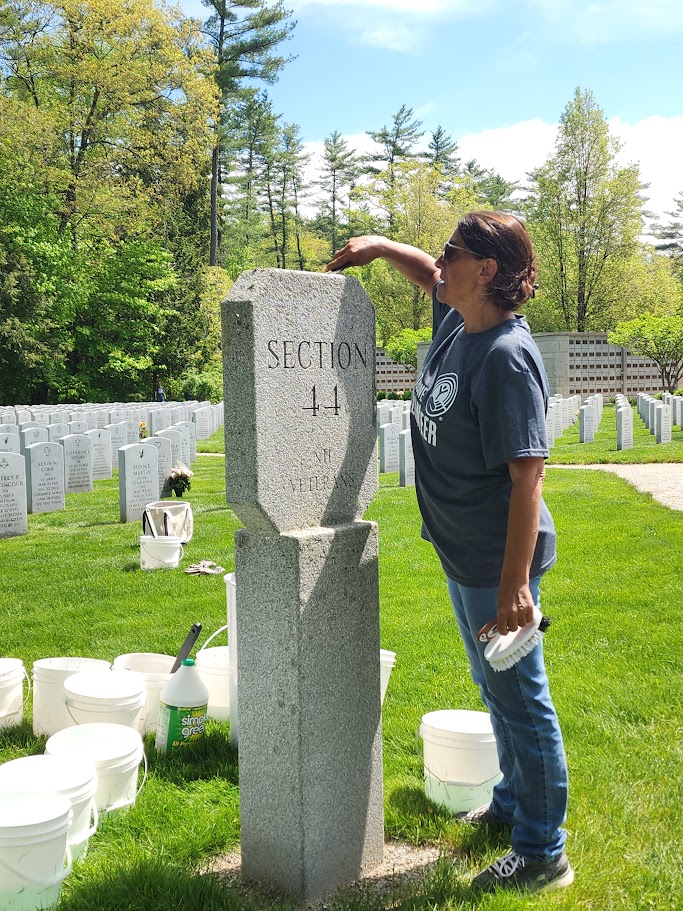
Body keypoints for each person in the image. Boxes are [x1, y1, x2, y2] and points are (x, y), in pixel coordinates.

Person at [325, 212, 572, 894]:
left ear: (486, 270)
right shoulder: (460, 323)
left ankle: (541, 850)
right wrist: (377, 248)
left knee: (522, 703)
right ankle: (514, 804)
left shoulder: (503, 357)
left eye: (452, 252)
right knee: (494, 693)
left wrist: (513, 584)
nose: (440, 262)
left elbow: (528, 477)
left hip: (498, 562)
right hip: (464, 553)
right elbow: (425, 273)